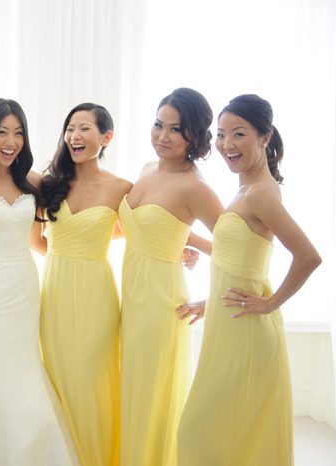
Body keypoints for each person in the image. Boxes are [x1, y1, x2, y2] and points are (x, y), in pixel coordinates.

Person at [177, 94, 321, 466]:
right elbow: (241, 262)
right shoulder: (246, 190)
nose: (226, 145)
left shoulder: (259, 193)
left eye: (238, 134)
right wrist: (210, 300)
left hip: (247, 334)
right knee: (226, 432)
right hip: (229, 325)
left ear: (265, 137)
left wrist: (271, 303)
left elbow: (309, 257)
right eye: (221, 134)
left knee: (201, 427)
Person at [0, 98, 79, 466]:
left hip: (24, 286)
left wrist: (176, 243)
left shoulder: (34, 182)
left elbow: (76, 224)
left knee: (23, 364)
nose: (10, 141)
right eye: (1, 132)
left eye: (18, 133)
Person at [117, 88, 223, 466]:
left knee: (148, 394)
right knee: (131, 388)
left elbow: (236, 248)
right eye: (158, 124)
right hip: (132, 295)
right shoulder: (148, 169)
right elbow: (148, 224)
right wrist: (184, 239)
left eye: (175, 130)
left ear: (194, 135)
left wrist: (212, 303)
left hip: (162, 305)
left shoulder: (195, 187)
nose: (162, 136)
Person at [40, 102, 132, 466]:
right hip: (56, 286)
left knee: (94, 378)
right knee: (58, 374)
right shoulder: (50, 185)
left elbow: (140, 231)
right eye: (70, 129)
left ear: (106, 137)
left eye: (84, 129)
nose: (74, 136)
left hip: (96, 290)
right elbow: (36, 240)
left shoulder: (122, 188)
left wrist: (186, 250)